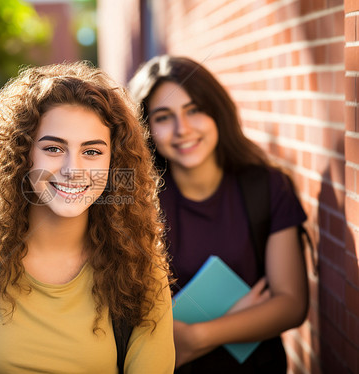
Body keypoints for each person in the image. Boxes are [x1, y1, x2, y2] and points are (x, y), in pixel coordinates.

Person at [0, 61, 175, 373]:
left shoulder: (142, 271)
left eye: (92, 152)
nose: (72, 169)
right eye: (53, 148)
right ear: (22, 155)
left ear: (113, 162)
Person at [128, 55, 309, 373]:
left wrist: (195, 336)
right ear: (145, 129)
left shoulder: (266, 187)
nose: (182, 129)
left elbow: (291, 304)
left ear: (217, 111)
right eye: (163, 117)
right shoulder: (136, 201)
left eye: (194, 110)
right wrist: (241, 318)